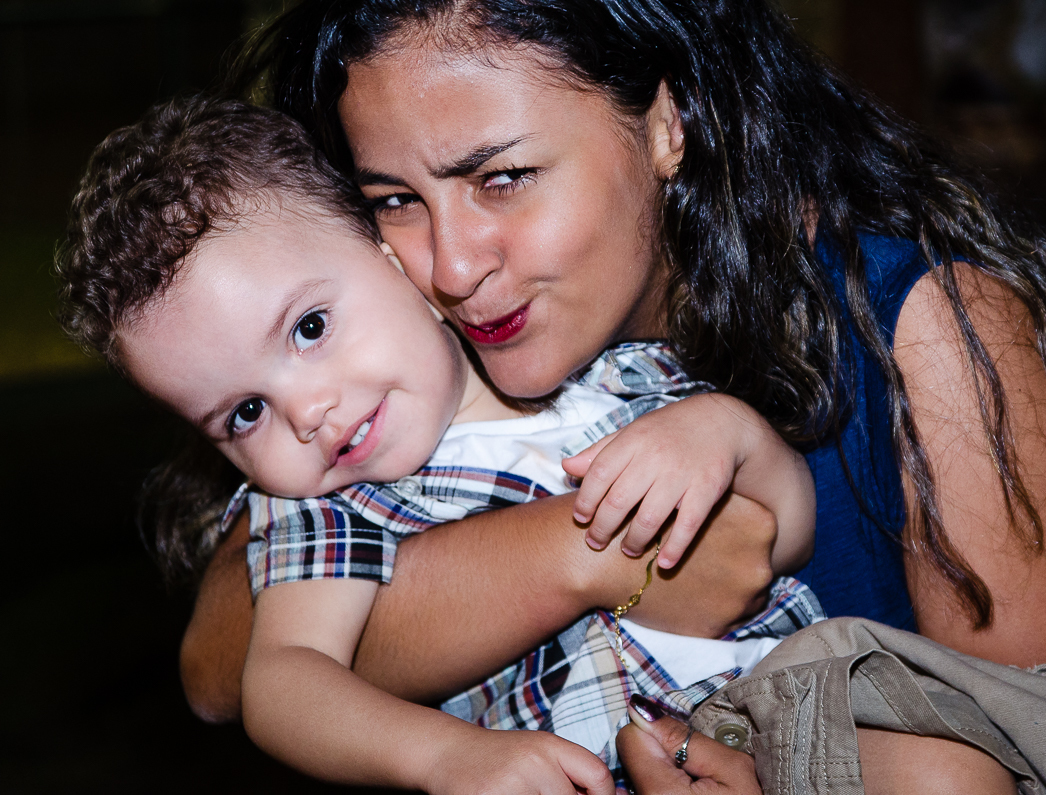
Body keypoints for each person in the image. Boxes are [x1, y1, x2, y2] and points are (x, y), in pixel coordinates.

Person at [177, 0, 1046, 791]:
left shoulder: (915, 326)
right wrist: (588, 555)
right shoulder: (391, 347)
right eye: (395, 199)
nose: (451, 263)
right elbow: (224, 659)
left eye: (503, 178)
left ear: (667, 122)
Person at [56, 96, 822, 792]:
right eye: (245, 412)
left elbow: (785, 536)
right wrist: (445, 756)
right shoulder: (333, 511)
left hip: (812, 723)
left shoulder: (608, 372)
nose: (307, 412)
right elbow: (283, 681)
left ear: (392, 257)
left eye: (309, 328)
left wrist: (730, 432)